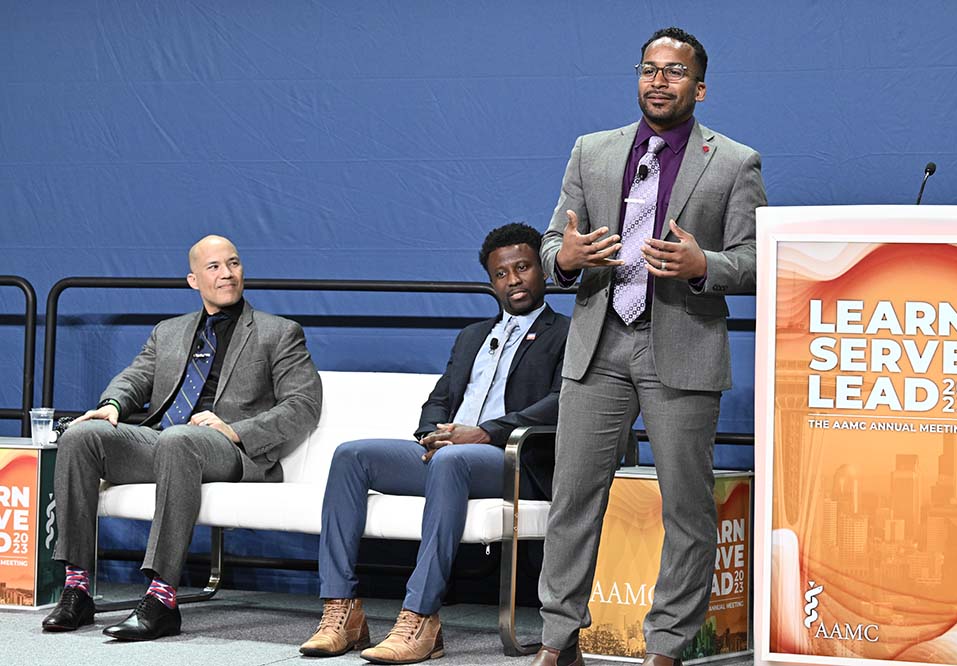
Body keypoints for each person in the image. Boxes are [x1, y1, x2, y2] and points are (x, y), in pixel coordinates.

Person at [535, 27, 766, 666]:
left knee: (687, 509)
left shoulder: (733, 162)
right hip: (598, 341)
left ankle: (666, 647)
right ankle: (557, 641)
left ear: (700, 86)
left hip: (681, 343)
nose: (658, 81)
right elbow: (556, 242)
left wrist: (702, 264)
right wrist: (567, 259)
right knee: (573, 498)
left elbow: (753, 261)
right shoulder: (593, 152)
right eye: (648, 70)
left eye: (673, 72)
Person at [300, 222, 569, 664]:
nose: (514, 279)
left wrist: (485, 432)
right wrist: (433, 432)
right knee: (352, 456)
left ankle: (421, 616)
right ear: (491, 282)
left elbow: (561, 402)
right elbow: (440, 398)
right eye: (502, 274)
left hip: (513, 458)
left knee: (452, 462)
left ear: (542, 270)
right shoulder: (472, 336)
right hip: (452, 453)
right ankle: (341, 609)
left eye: (523, 268)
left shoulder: (566, 333)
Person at [41, 235, 323, 641]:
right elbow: (136, 376)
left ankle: (161, 598)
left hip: (229, 450)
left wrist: (237, 430)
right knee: (82, 435)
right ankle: (77, 588)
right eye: (214, 267)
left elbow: (304, 404)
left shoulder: (278, 332)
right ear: (193, 280)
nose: (227, 273)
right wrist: (114, 404)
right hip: (168, 441)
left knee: (177, 439)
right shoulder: (169, 332)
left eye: (234, 263)